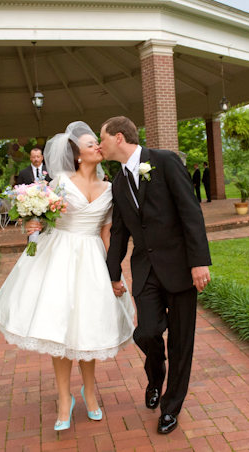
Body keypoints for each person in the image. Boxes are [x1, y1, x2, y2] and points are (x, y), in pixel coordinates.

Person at [0, 121, 134, 432]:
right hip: (58, 259)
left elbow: (108, 234)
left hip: (93, 259)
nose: (97, 146)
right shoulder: (58, 184)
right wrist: (31, 224)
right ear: (78, 155)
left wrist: (115, 273)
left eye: (98, 142)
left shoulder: (111, 188)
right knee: (60, 331)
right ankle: (64, 397)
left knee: (89, 328)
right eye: (90, 144)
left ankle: (90, 393)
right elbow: (38, 218)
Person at [99, 116, 211, 436]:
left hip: (180, 267)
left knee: (181, 342)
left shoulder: (164, 161)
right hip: (145, 270)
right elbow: (119, 232)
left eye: (102, 138)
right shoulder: (118, 182)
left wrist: (199, 262)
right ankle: (155, 376)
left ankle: (171, 407)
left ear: (119, 138)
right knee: (146, 333)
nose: (100, 144)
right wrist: (113, 272)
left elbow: (190, 210)